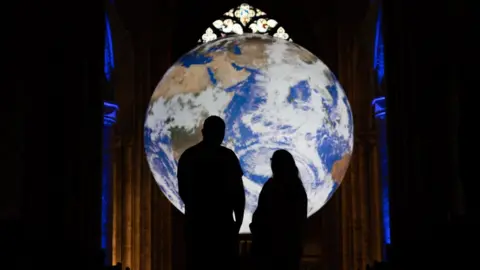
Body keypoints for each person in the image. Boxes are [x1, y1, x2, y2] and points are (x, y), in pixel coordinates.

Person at [177, 115, 245, 270]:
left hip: (198, 227)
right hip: (221, 227)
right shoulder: (227, 157)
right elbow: (238, 193)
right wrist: (238, 222)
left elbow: (183, 192)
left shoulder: (188, 157)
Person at [250, 149, 308, 270]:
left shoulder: (271, 187)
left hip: (268, 251)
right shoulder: (298, 189)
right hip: (290, 251)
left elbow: (261, 215)